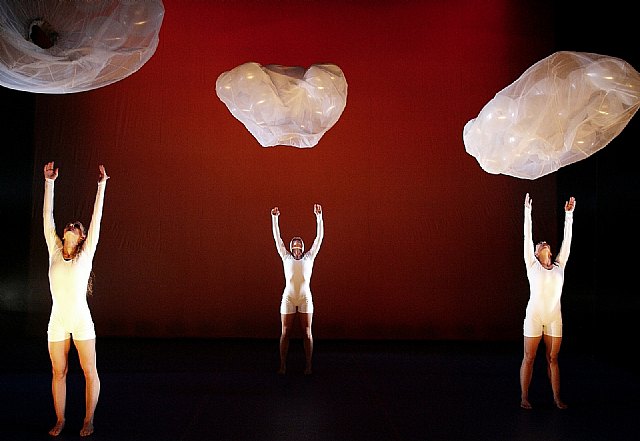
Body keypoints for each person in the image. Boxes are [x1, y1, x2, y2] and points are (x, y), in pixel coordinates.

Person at [43, 161, 109, 436]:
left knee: (89, 371)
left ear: (81, 237)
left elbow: (96, 219)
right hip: (57, 320)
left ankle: (88, 419)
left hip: (81, 321)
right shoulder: (54, 250)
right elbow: (47, 217)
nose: (71, 225)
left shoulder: (86, 253)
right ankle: (60, 419)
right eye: (69, 224)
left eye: (76, 226)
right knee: (58, 372)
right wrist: (49, 183)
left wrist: (102, 186)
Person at [520, 192, 575, 410]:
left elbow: (567, 242)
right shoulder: (532, 265)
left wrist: (569, 215)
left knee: (553, 358)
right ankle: (524, 397)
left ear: (550, 251)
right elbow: (527, 237)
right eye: (539, 244)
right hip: (534, 316)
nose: (542, 243)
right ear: (535, 252)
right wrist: (527, 212)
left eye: (544, 243)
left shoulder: (560, 265)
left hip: (553, 318)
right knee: (529, 357)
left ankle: (557, 398)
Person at [271, 204, 324, 375]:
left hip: (305, 298)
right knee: (285, 332)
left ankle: (308, 365)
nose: (297, 249)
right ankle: (282, 365)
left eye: (299, 246)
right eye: (294, 246)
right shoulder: (285, 257)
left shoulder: (309, 258)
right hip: (288, 297)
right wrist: (274, 218)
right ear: (291, 248)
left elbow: (319, 239)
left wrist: (319, 217)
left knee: (307, 333)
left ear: (302, 248)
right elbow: (277, 239)